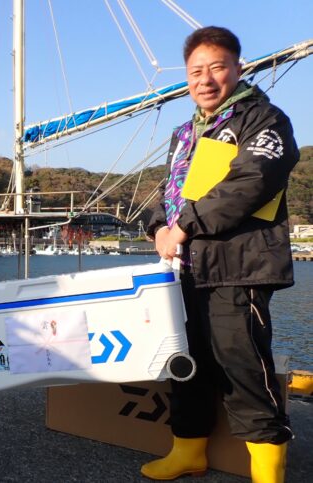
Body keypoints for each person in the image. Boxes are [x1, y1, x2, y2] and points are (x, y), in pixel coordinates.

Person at [143, 27, 298, 482]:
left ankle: (268, 472)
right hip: (183, 271)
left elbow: (253, 180)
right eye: (196, 71)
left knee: (242, 367)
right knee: (184, 363)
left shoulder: (265, 119)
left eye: (216, 67)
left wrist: (184, 225)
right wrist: (158, 225)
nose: (205, 79)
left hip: (238, 269)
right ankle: (188, 449)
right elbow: (167, 192)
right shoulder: (184, 133)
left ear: (238, 68)